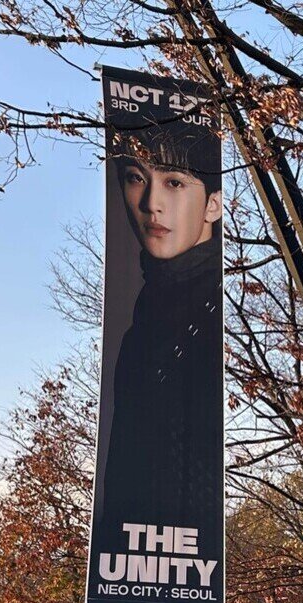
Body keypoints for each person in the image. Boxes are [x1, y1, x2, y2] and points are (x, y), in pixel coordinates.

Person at [95, 119, 224, 558]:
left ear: (213, 205)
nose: (151, 203)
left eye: (174, 182)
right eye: (136, 178)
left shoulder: (216, 305)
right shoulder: (148, 312)